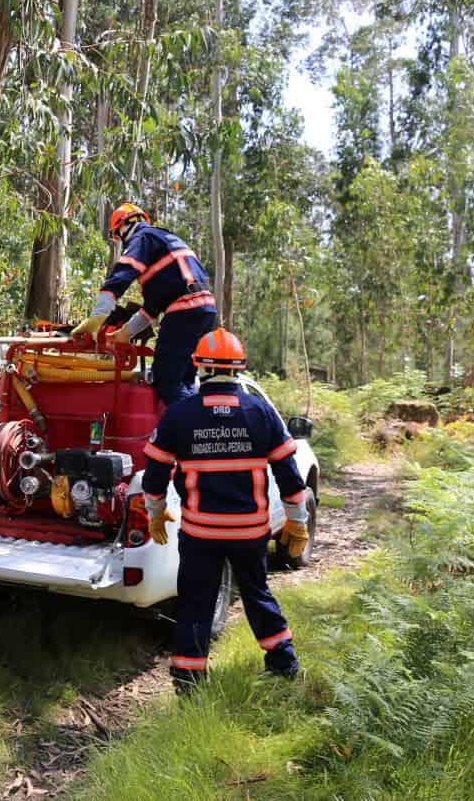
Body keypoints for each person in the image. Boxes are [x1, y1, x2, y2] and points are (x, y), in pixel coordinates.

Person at [140, 329, 310, 690]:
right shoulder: (261, 412)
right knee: (257, 595)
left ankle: (188, 679)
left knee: (195, 602)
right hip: (250, 532)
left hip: (201, 534)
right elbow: (289, 473)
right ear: (238, 369)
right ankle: (284, 664)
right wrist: (297, 521)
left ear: (199, 367)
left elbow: (154, 474)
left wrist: (155, 511)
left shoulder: (179, 415)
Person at [71, 203, 218, 405]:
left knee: (165, 380)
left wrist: (97, 316)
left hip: (184, 311)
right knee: (184, 378)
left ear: (122, 228)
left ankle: (186, 423)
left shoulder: (142, 237)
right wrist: (126, 333)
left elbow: (121, 275)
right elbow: (152, 307)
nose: (120, 242)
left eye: (117, 236)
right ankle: (192, 420)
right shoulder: (165, 241)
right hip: (205, 310)